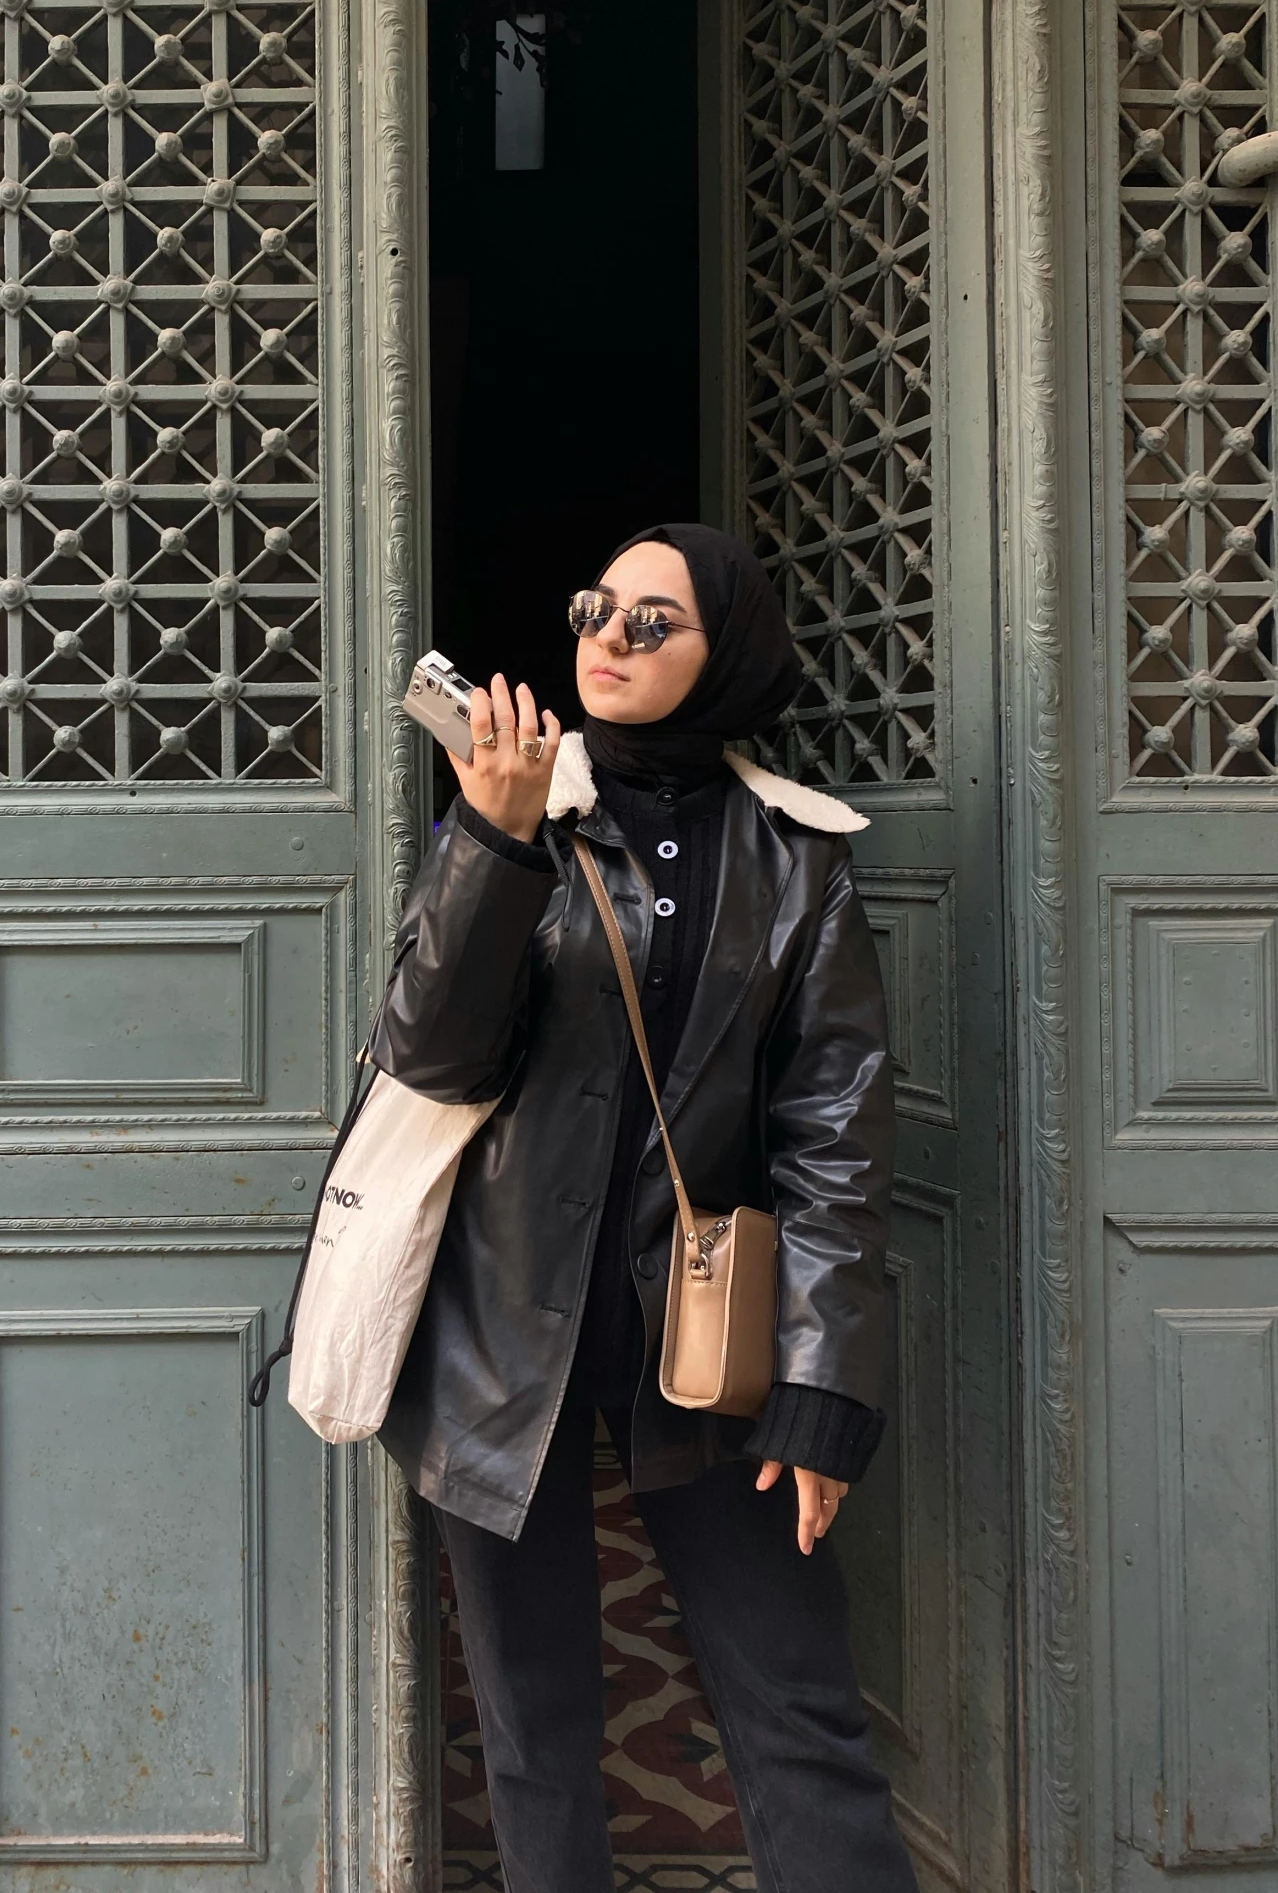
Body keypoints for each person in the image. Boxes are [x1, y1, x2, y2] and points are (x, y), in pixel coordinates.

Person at [373, 523, 917, 1893]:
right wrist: (490, 845)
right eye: (594, 609)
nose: (607, 639)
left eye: (651, 621)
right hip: (499, 1331)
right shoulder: (507, 813)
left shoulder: (796, 858)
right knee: (533, 1727)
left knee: (798, 1712)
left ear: (722, 650)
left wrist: (819, 1390)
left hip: (712, 1347)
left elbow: (833, 1136)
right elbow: (428, 1054)